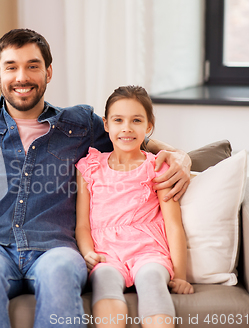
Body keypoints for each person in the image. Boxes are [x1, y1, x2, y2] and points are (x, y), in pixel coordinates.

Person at [0, 29, 192, 328]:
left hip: (55, 248)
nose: (22, 77)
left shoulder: (80, 123)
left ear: (48, 73)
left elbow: (131, 138)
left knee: (61, 270)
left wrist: (180, 156)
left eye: (33, 66)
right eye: (11, 67)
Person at [75, 86, 194, 328]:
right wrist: (88, 252)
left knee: (151, 278)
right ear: (106, 125)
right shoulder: (90, 168)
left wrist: (180, 275)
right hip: (107, 254)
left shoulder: (158, 166)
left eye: (136, 120)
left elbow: (173, 224)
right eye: (118, 120)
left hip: (148, 251)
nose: (127, 128)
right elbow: (82, 224)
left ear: (148, 127)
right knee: (104, 279)